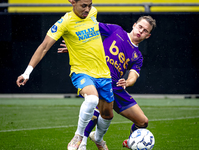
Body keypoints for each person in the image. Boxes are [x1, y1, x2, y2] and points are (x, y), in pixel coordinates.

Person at [16, 0, 114, 150]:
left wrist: (74, 46)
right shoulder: (65, 22)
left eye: (90, 5)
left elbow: (87, 41)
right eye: (84, 6)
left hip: (103, 73)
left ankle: (98, 139)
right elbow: (43, 47)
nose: (88, 9)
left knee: (107, 115)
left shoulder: (93, 12)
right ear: (72, 2)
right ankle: (78, 136)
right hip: (81, 71)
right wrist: (27, 72)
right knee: (92, 98)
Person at [58, 15, 156, 149]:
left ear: (148, 36)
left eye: (145, 30)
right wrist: (75, 46)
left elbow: (133, 76)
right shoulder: (116, 30)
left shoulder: (137, 56)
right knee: (96, 106)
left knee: (143, 122)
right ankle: (82, 142)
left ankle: (130, 141)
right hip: (99, 78)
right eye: (140, 27)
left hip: (117, 86)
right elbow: (89, 29)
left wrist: (127, 82)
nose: (141, 31)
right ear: (134, 25)